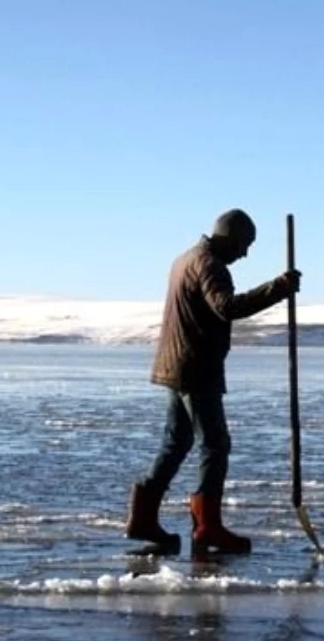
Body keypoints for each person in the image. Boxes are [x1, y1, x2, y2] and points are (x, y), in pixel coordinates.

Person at [126, 208, 300, 554]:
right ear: (229, 238)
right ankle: (207, 526)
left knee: (176, 442)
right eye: (243, 245)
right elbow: (226, 307)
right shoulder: (209, 265)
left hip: (177, 364)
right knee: (215, 444)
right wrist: (278, 288)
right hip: (195, 367)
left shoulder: (185, 259)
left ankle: (144, 518)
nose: (244, 253)